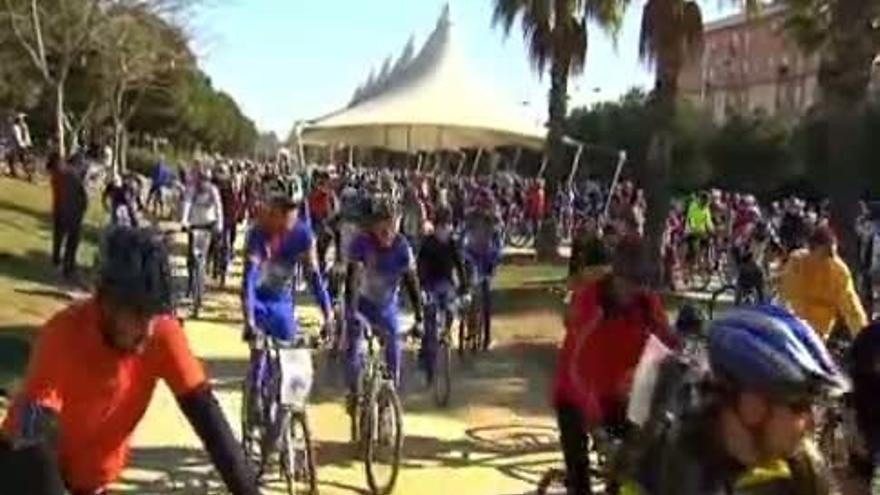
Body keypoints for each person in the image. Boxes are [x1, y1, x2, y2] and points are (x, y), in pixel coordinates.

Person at [0, 227, 260, 495]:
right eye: (137, 313)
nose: (147, 329)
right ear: (105, 303)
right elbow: (34, 442)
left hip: (91, 482)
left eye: (152, 313)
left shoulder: (163, 332)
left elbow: (210, 422)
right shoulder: (63, 334)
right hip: (24, 471)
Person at [622, 304, 847, 495]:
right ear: (753, 405)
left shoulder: (802, 466)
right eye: (799, 406)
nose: (811, 423)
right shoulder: (665, 465)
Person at [551, 238, 679, 495]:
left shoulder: (646, 302)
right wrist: (594, 421)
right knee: (579, 474)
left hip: (620, 394)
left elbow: (668, 341)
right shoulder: (591, 301)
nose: (635, 290)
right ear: (616, 275)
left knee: (644, 457)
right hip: (576, 393)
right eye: (630, 282)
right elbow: (575, 366)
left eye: (641, 283)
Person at [344, 197, 424, 400]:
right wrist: (351, 312)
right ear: (373, 225)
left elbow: (411, 281)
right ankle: (355, 393)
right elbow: (352, 280)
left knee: (393, 344)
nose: (388, 232)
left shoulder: (402, 246)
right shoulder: (362, 243)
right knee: (354, 347)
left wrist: (419, 316)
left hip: (386, 306)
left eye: (393, 226)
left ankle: (390, 394)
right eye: (383, 227)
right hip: (361, 304)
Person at [778, 225, 867, 340]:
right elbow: (786, 297)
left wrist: (864, 338)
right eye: (826, 252)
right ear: (812, 249)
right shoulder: (797, 263)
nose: (831, 257)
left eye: (833, 253)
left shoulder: (839, 271)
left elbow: (852, 308)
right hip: (795, 330)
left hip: (820, 336)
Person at [416, 206, 468, 384]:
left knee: (451, 307)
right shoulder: (428, 243)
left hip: (446, 284)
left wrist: (465, 289)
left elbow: (460, 266)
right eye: (442, 226)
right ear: (436, 227)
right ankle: (428, 364)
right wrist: (422, 289)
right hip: (429, 285)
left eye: (448, 226)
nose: (445, 230)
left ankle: (446, 331)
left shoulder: (452, 243)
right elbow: (420, 268)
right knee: (430, 325)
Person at [461, 187, 503, 349]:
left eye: (484, 205)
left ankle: (487, 337)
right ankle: (471, 327)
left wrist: (496, 259)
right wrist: (461, 249)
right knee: (469, 292)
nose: (482, 208)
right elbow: (463, 234)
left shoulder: (494, 220)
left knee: (486, 298)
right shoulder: (471, 217)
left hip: (488, 259)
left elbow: (498, 242)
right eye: (480, 204)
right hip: (472, 257)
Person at [180, 167, 224, 296]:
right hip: (194, 225)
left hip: (209, 225)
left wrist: (219, 224)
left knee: (207, 254)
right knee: (191, 258)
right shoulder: (192, 190)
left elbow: (218, 207)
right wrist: (184, 221)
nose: (204, 183)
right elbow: (187, 204)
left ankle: (206, 275)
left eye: (207, 180)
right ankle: (190, 283)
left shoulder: (213, 190)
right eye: (202, 179)